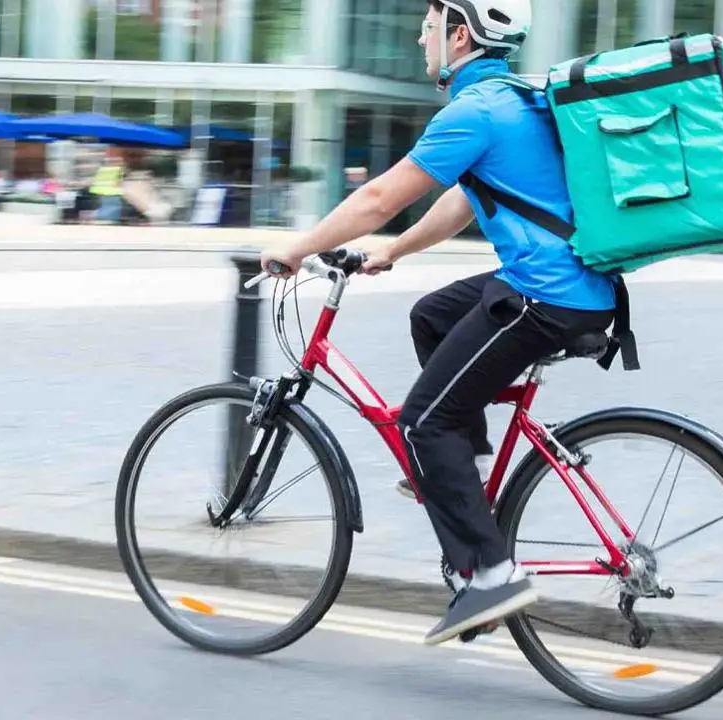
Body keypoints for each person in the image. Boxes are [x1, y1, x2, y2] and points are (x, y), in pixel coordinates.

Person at [259, 0, 617, 646]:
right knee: (432, 315)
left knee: (422, 419)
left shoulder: (473, 111)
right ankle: (466, 466)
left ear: (459, 35)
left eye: (428, 26)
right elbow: (464, 199)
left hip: (546, 294)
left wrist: (300, 246)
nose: (420, 37)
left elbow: (377, 198)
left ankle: (490, 573)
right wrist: (394, 251)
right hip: (572, 286)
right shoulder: (511, 100)